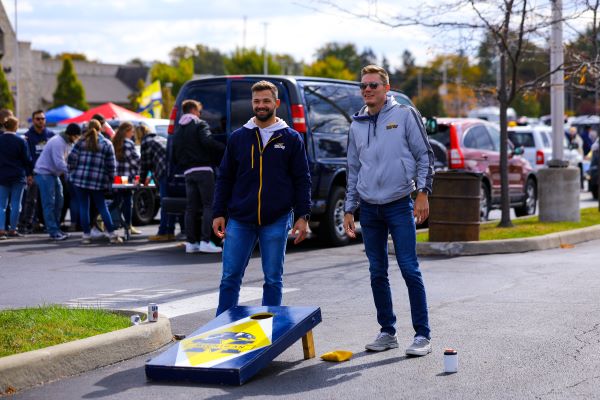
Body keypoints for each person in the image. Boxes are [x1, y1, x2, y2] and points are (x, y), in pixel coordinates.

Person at [343, 65, 434, 357]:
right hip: (369, 209)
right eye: (364, 86)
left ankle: (422, 335)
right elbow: (353, 169)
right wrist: (349, 208)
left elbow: (424, 156)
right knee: (376, 271)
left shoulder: (406, 115)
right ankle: (387, 332)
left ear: (387, 87)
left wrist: (422, 193)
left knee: (409, 268)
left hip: (398, 203)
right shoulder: (356, 124)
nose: (368, 90)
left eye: (373, 85)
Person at [212, 80, 311, 316]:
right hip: (240, 218)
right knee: (230, 277)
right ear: (252, 103)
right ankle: (221, 328)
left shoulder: (291, 138)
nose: (261, 105)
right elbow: (224, 177)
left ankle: (271, 332)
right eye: (257, 101)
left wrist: (303, 215)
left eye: (266, 100)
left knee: (273, 279)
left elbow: (302, 179)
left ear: (276, 103)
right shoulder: (239, 137)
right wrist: (218, 213)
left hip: (276, 218)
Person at [172, 99, 225, 253]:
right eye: (199, 111)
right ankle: (205, 241)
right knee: (208, 205)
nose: (200, 114)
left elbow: (174, 152)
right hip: (203, 170)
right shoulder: (200, 124)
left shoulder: (178, 129)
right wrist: (225, 148)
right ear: (194, 110)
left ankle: (190, 243)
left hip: (188, 172)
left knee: (191, 208)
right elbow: (207, 141)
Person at [67, 119, 122, 244]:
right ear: (100, 128)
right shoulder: (107, 143)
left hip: (79, 179)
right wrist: (110, 181)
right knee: (102, 206)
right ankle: (112, 234)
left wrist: (73, 171)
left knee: (83, 207)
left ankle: (86, 235)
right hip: (97, 181)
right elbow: (111, 166)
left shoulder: (81, 141)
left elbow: (71, 159)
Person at [33, 123, 82, 241]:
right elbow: (58, 162)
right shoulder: (58, 142)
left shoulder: (66, 142)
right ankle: (53, 231)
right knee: (49, 203)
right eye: (76, 136)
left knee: (59, 201)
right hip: (44, 173)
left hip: (53, 174)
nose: (76, 139)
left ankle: (56, 228)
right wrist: (73, 172)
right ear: (70, 134)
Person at [137, 124, 176, 241]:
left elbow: (145, 163)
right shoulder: (160, 138)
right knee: (171, 203)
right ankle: (171, 231)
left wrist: (141, 181)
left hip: (163, 172)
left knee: (164, 203)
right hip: (173, 172)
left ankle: (162, 232)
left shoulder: (146, 142)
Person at [18, 110, 54, 234]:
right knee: (31, 201)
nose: (40, 121)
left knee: (49, 200)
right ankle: (28, 225)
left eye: (42, 119)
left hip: (49, 174)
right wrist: (28, 174)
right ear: (33, 120)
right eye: (38, 119)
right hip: (34, 174)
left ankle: (48, 224)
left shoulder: (50, 135)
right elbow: (25, 158)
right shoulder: (28, 136)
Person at [0, 117, 32, 239]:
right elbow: (27, 160)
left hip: (2, 175)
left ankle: (1, 230)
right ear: (16, 126)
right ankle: (13, 229)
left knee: (1, 205)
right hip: (18, 175)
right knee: (16, 204)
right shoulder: (21, 141)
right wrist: (29, 174)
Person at [111, 121, 140, 239]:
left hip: (117, 177)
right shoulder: (128, 143)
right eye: (132, 131)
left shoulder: (114, 141)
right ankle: (127, 226)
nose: (133, 134)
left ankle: (102, 218)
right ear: (127, 131)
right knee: (128, 201)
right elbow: (134, 161)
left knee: (117, 201)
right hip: (126, 177)